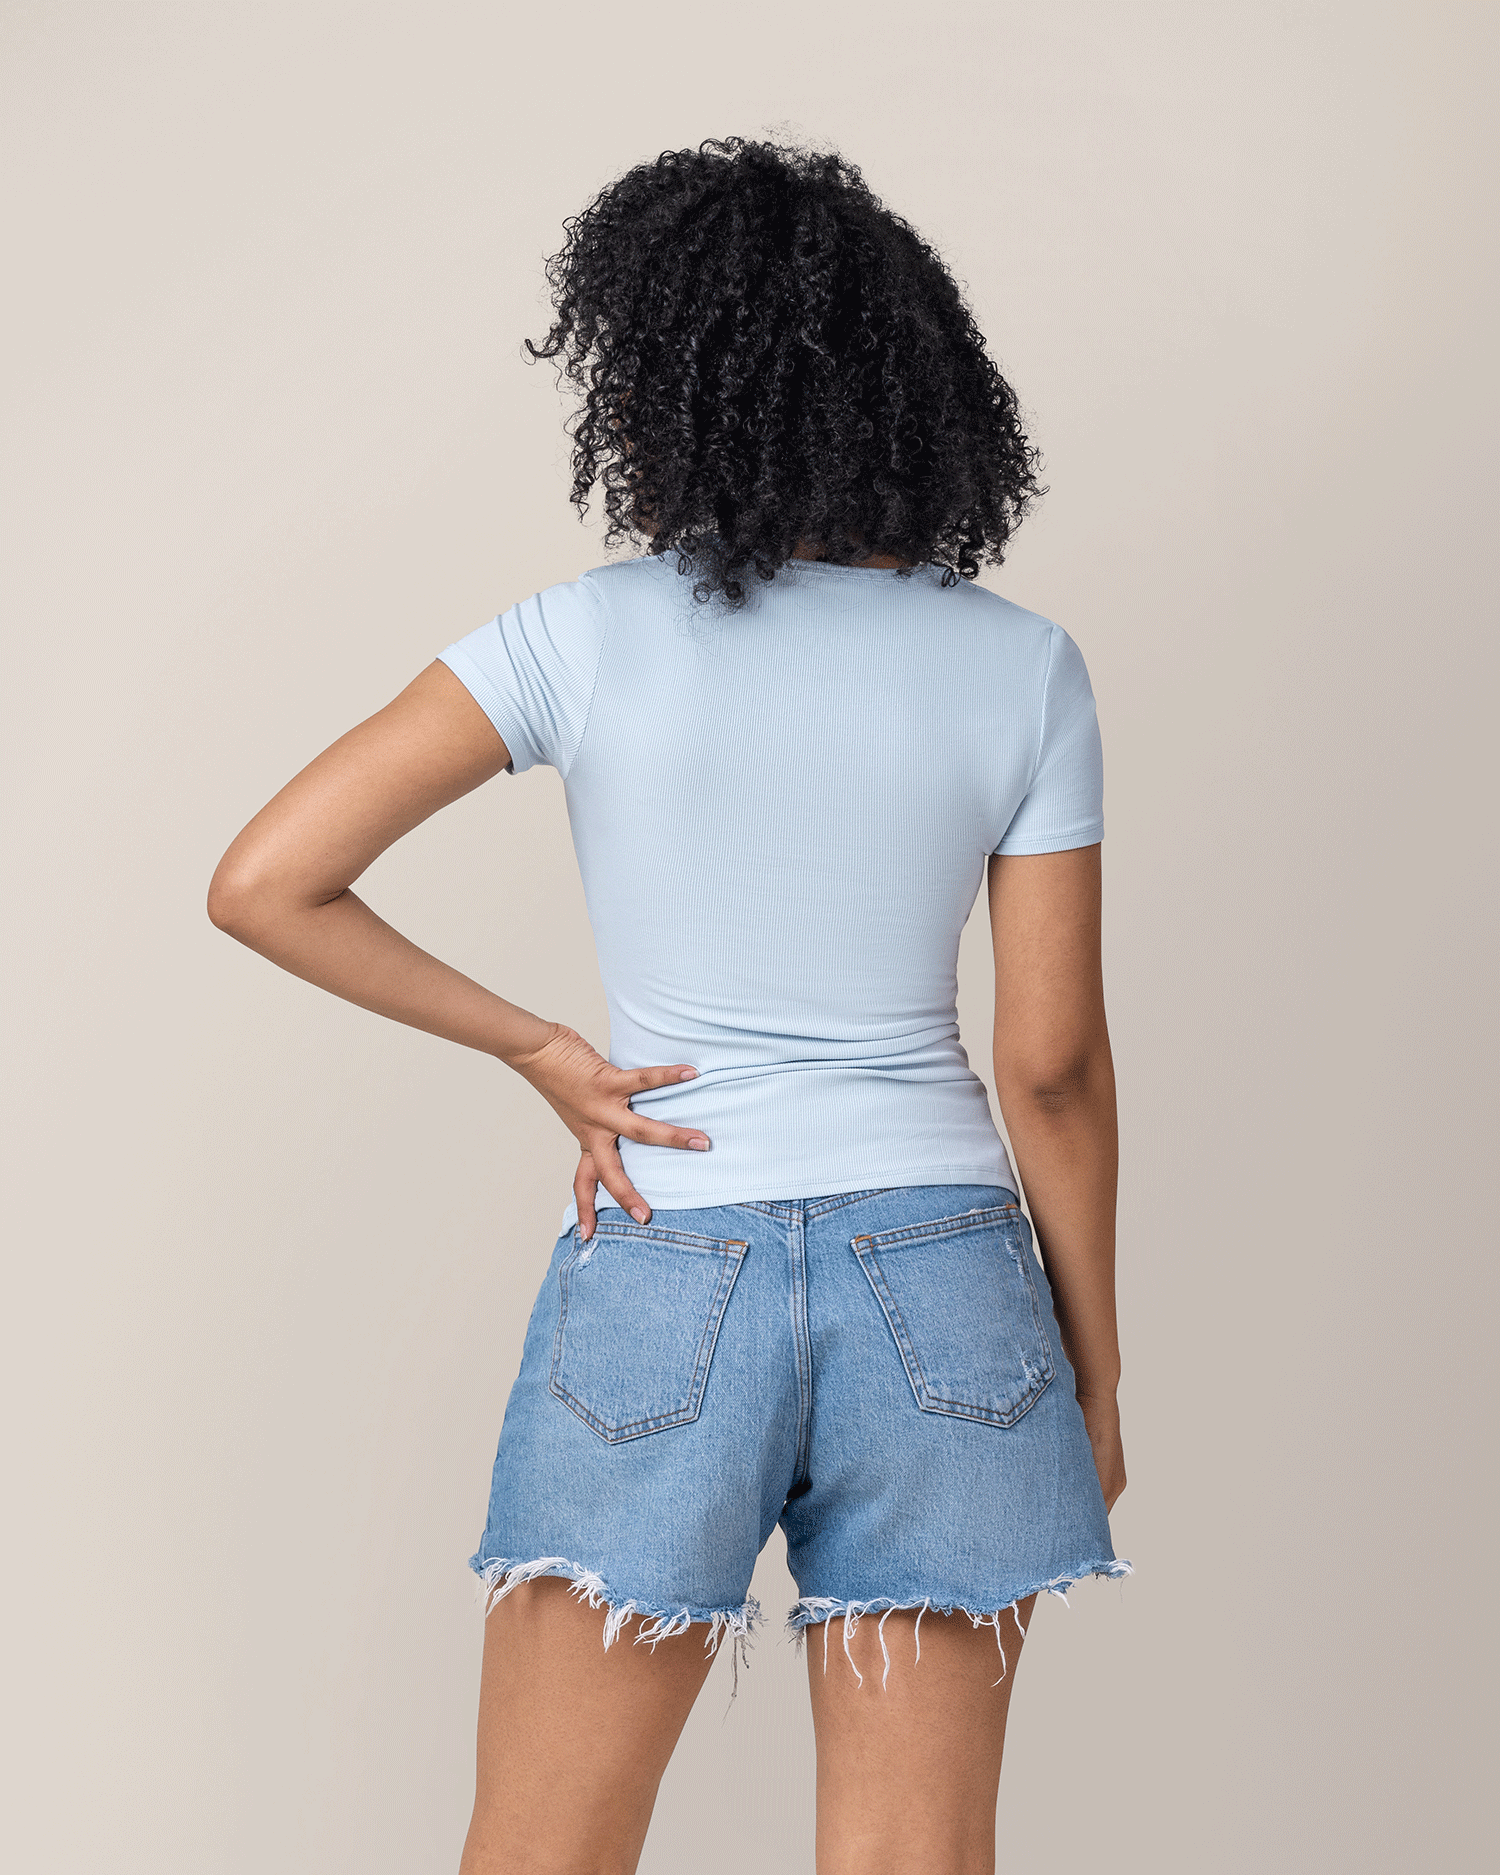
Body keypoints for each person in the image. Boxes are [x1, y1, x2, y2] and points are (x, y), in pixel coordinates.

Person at [208, 135, 1130, 1875]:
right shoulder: (1023, 664)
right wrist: (1091, 1364)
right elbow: (1052, 1066)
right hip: (945, 1273)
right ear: (921, 385)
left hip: (669, 1247)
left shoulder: (584, 634)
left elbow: (266, 878)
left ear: (657, 380)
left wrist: (547, 1052)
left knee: (547, 1849)